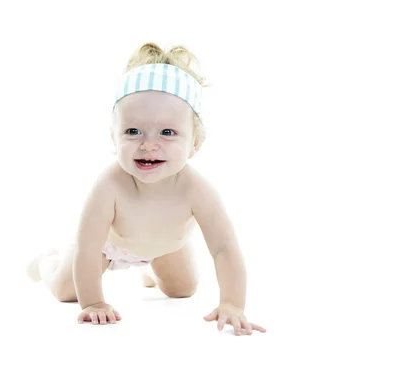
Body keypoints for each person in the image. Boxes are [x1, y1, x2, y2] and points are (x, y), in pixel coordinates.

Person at [27, 42, 266, 335]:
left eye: (168, 132)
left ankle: (149, 271)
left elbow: (224, 249)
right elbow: (89, 247)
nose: (148, 144)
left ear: (195, 143)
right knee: (66, 291)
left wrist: (232, 303)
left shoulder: (197, 190)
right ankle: (46, 262)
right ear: (113, 137)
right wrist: (94, 303)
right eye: (132, 131)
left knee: (183, 290)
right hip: (108, 246)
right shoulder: (108, 185)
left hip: (166, 246)